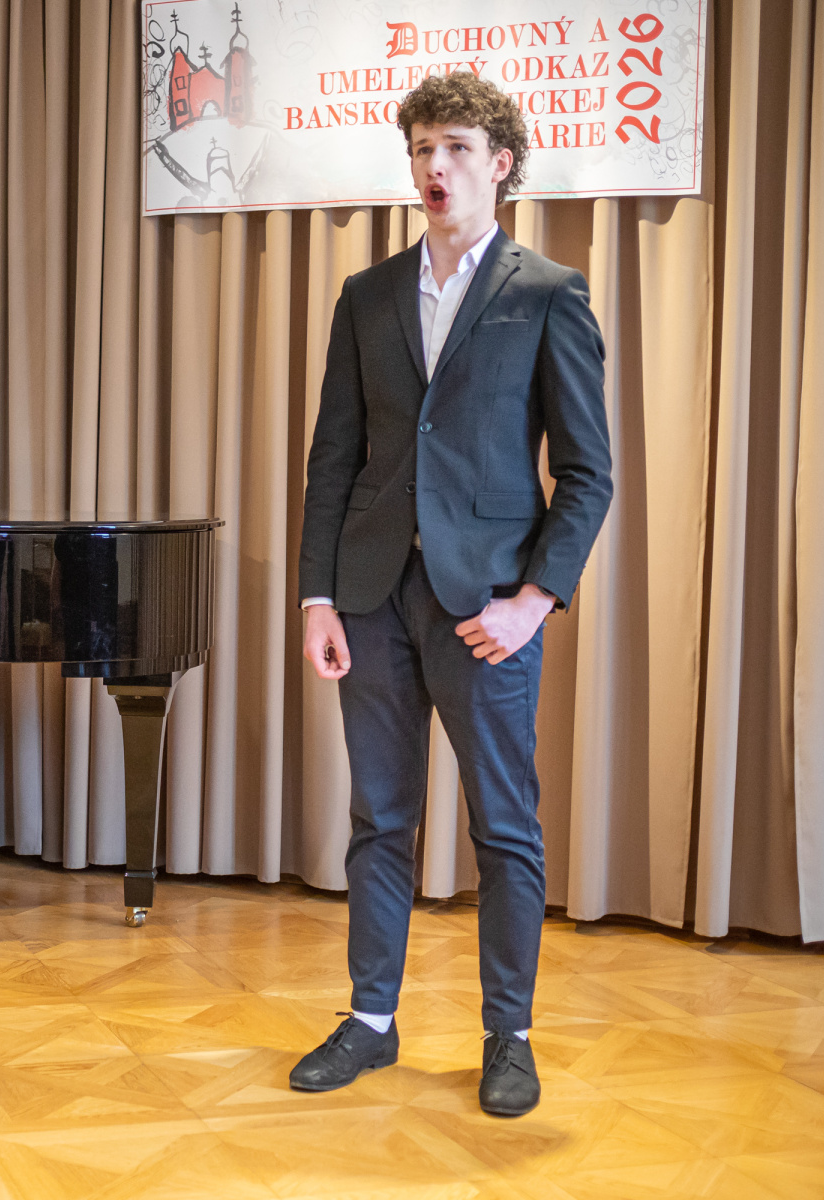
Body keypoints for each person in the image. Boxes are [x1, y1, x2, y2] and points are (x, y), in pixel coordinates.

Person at [291, 73, 612, 1116]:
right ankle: (371, 1020)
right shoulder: (367, 295)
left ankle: (508, 1036)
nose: (437, 167)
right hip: (373, 598)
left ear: (500, 163)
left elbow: (588, 474)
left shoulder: (547, 292)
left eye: (459, 148)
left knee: (505, 829)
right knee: (378, 819)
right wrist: (318, 598)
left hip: (488, 613)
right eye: (424, 148)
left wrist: (535, 600)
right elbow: (334, 461)